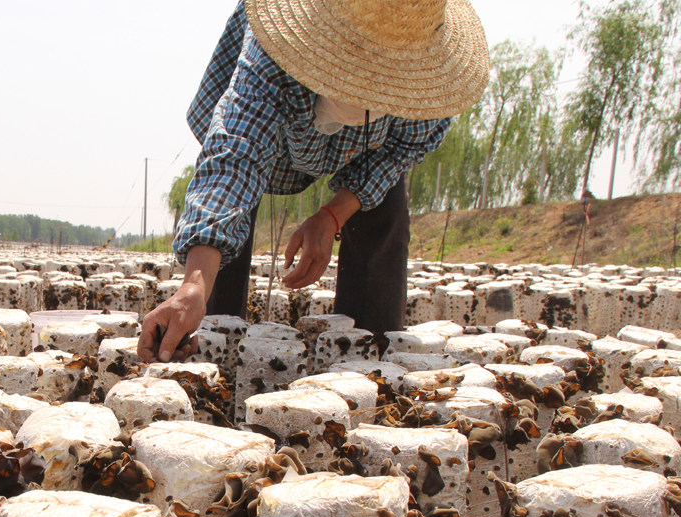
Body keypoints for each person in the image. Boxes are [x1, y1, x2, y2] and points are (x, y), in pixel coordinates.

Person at [138, 0, 489, 363]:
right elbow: (235, 162)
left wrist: (332, 216)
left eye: (382, 83)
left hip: (370, 149)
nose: (367, 89)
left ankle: (370, 360)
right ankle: (210, 346)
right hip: (270, 123)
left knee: (384, 213)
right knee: (228, 225)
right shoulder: (274, 51)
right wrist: (194, 285)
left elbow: (398, 153)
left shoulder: (429, 82)